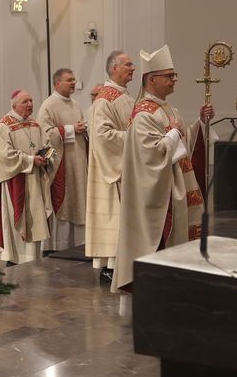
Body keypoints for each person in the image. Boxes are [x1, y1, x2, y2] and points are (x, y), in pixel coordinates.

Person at [113, 45, 211, 292]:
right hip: (159, 195)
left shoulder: (167, 109)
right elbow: (152, 155)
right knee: (159, 246)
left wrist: (201, 123)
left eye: (174, 75)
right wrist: (175, 133)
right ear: (152, 79)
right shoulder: (143, 115)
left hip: (176, 185)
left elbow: (182, 141)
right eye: (169, 76)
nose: (174, 80)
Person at [0, 90, 57, 265]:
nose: (30, 104)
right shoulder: (4, 126)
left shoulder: (34, 124)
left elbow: (47, 144)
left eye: (31, 100)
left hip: (35, 179)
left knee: (35, 218)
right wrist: (31, 160)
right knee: (17, 217)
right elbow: (4, 156)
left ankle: (33, 257)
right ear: (14, 105)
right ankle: (14, 257)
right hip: (15, 180)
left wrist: (47, 156)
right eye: (25, 102)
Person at [85, 51, 137, 284]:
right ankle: (111, 266)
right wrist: (135, 137)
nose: (133, 68)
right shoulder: (105, 99)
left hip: (127, 165)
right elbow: (102, 136)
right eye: (128, 64)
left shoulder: (126, 96)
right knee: (112, 218)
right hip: (112, 170)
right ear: (114, 68)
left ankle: (124, 263)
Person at [38, 69, 88, 252]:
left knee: (79, 199)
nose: (73, 82)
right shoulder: (48, 105)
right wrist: (70, 129)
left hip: (78, 161)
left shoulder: (75, 104)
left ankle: (78, 245)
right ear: (57, 83)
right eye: (69, 80)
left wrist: (83, 129)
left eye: (74, 79)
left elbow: (78, 128)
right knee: (64, 201)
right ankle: (58, 246)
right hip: (61, 164)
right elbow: (44, 135)